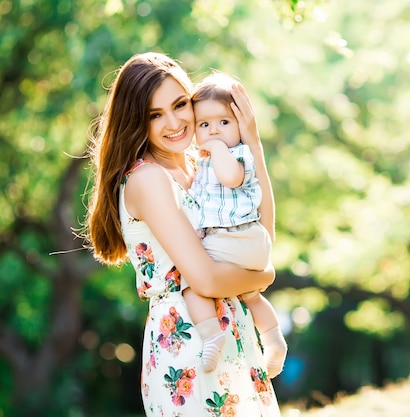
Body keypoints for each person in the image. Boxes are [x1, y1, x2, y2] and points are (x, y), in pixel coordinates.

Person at [85, 52, 282, 416]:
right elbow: (205, 279)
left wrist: (252, 146)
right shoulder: (147, 179)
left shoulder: (203, 168)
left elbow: (261, 239)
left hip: (236, 333)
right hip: (189, 344)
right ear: (136, 122)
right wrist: (264, 276)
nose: (174, 122)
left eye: (179, 105)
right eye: (155, 115)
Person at [184, 71, 287, 378]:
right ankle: (273, 338)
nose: (214, 131)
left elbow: (231, 178)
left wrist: (216, 148)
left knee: (192, 284)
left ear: (240, 126)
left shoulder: (238, 154)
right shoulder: (206, 160)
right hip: (246, 244)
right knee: (250, 294)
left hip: (236, 237)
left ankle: (212, 335)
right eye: (204, 125)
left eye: (224, 122)